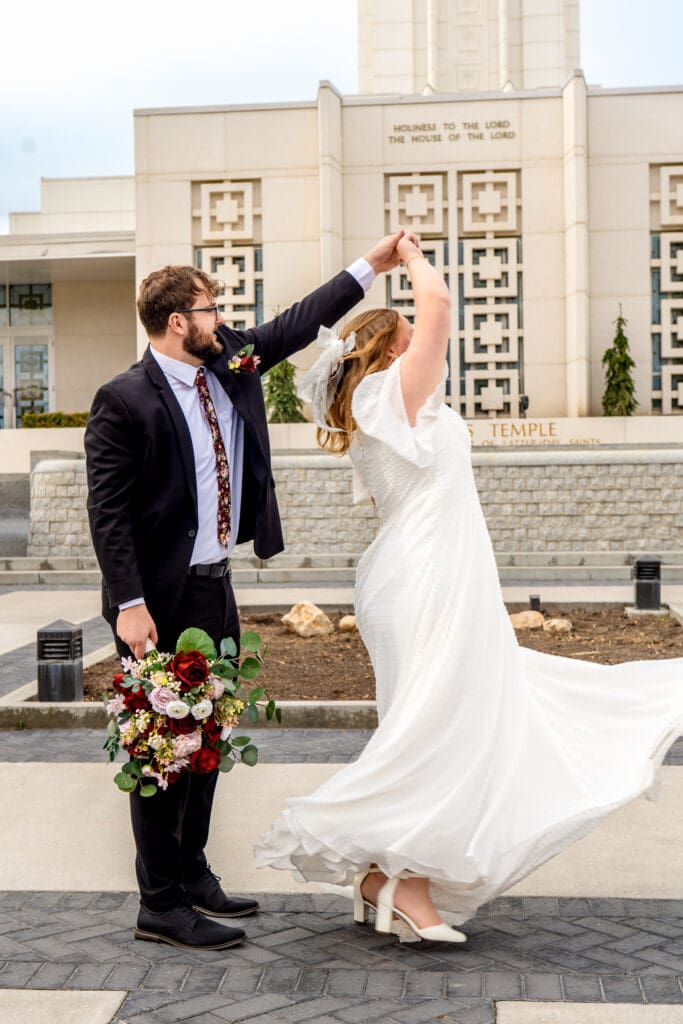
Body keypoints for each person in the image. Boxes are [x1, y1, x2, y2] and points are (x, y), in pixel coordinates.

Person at [254, 231, 683, 944]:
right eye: (410, 330)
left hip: (411, 574)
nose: (422, 333)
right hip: (429, 575)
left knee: (427, 722)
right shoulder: (398, 393)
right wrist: (410, 256)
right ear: (391, 347)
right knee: (441, 725)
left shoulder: (370, 407)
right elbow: (444, 301)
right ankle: (403, 883)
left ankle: (381, 875)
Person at [84, 232, 405, 951]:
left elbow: (292, 325)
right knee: (159, 751)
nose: (223, 318)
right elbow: (107, 514)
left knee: (209, 741)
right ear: (178, 323)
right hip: (156, 604)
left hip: (215, 589)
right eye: (211, 308)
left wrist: (370, 268)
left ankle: (192, 873)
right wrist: (130, 605)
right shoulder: (123, 401)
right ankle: (159, 904)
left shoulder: (229, 365)